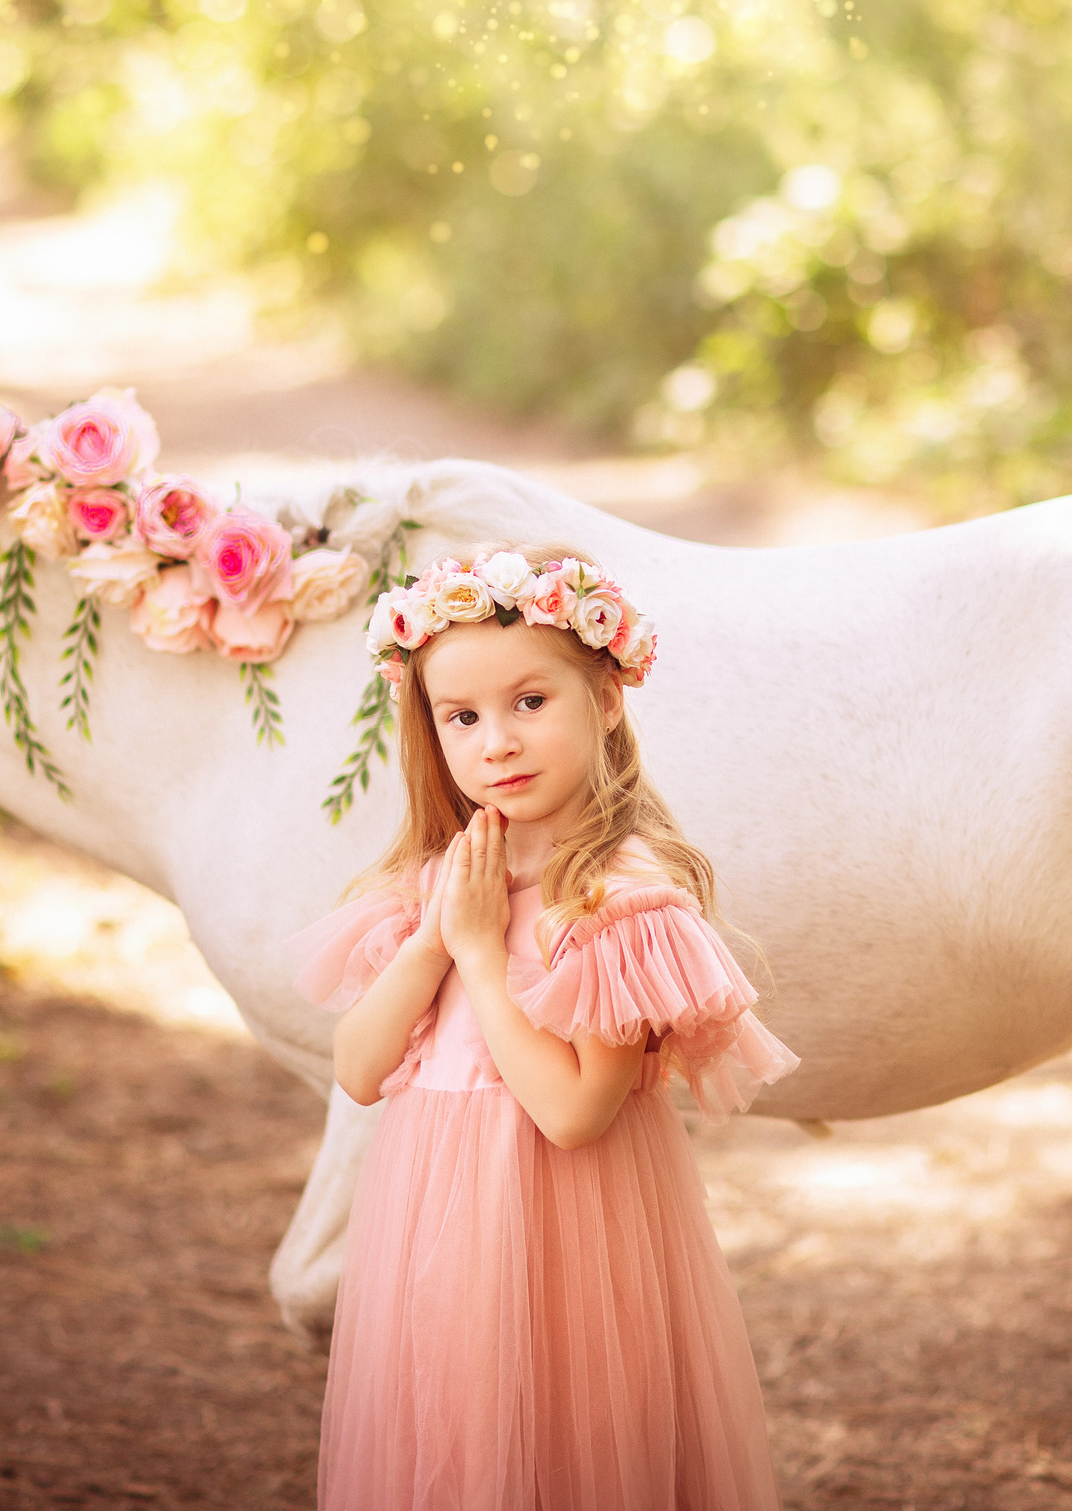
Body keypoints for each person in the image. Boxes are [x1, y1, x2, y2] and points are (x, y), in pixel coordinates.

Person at [288, 543, 798, 1510]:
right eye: (463, 717)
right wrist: (435, 940)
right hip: (434, 1232)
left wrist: (482, 959)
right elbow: (357, 1070)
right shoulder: (448, 879)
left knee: (566, 1447)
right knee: (452, 1444)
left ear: (604, 699)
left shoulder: (616, 899)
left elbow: (574, 1114)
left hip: (570, 1239)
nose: (498, 744)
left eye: (530, 702)